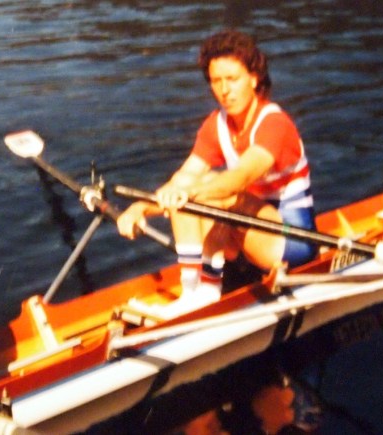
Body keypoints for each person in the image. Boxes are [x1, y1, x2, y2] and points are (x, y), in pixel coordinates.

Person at [117, 29, 316, 317]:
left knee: (212, 189)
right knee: (195, 186)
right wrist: (139, 208)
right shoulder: (216, 125)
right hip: (251, 232)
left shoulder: (275, 125)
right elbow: (181, 180)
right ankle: (197, 290)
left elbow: (240, 178)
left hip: (291, 241)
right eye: (216, 81)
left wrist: (190, 193)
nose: (224, 90)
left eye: (232, 79)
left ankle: (202, 295)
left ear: (254, 78)